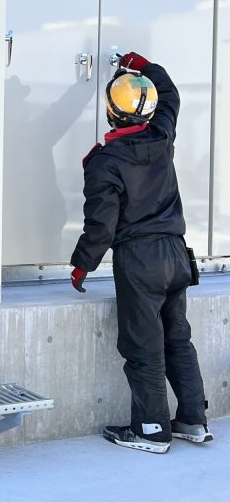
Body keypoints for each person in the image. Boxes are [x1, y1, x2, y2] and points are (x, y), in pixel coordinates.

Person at [69, 51, 211, 454]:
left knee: (143, 346)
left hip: (141, 261)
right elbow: (171, 95)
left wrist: (82, 265)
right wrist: (143, 66)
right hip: (176, 254)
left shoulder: (105, 161)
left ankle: (151, 430)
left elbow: (101, 224)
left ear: (111, 113)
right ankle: (193, 421)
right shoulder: (162, 135)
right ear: (147, 112)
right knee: (178, 339)